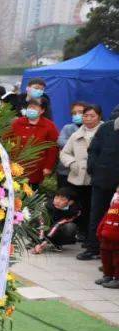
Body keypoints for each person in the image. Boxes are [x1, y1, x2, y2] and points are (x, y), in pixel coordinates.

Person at [59, 103, 100, 243]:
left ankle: (91, 235)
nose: (88, 118)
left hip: (95, 178)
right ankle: (79, 232)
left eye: (92, 116)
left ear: (99, 117)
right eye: (86, 116)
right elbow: (64, 153)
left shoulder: (104, 132)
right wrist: (72, 163)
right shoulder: (76, 134)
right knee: (78, 206)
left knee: (93, 207)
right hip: (77, 177)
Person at [82, 106, 119, 261]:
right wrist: (94, 170)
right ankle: (93, 248)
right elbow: (93, 150)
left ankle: (111, 257)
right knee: (96, 214)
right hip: (101, 179)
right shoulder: (106, 127)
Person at [8, 98, 59, 189]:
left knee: (30, 192)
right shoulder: (17, 122)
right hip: (15, 165)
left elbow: (52, 149)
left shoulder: (49, 126)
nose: (31, 110)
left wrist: (48, 167)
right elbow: (7, 141)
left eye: (34, 108)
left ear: (42, 110)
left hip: (36, 168)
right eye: (29, 107)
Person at [30, 187, 81, 254]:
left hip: (57, 228)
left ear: (70, 202)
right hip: (44, 228)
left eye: (62, 199)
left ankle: (56, 243)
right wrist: (39, 242)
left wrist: (46, 241)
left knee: (70, 227)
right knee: (33, 219)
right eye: (56, 198)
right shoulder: (47, 205)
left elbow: (58, 224)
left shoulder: (74, 211)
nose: (57, 201)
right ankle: (35, 242)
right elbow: (41, 222)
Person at [56, 102, 87, 189]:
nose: (77, 115)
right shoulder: (67, 127)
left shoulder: (92, 128)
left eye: (80, 112)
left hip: (84, 172)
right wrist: (80, 145)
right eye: (74, 113)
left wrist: (71, 145)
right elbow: (60, 141)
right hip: (65, 171)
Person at [95, 186, 119, 288]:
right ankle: (108, 275)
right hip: (106, 238)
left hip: (117, 240)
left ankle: (117, 278)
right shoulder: (113, 206)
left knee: (117, 260)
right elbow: (105, 219)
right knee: (106, 258)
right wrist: (100, 232)